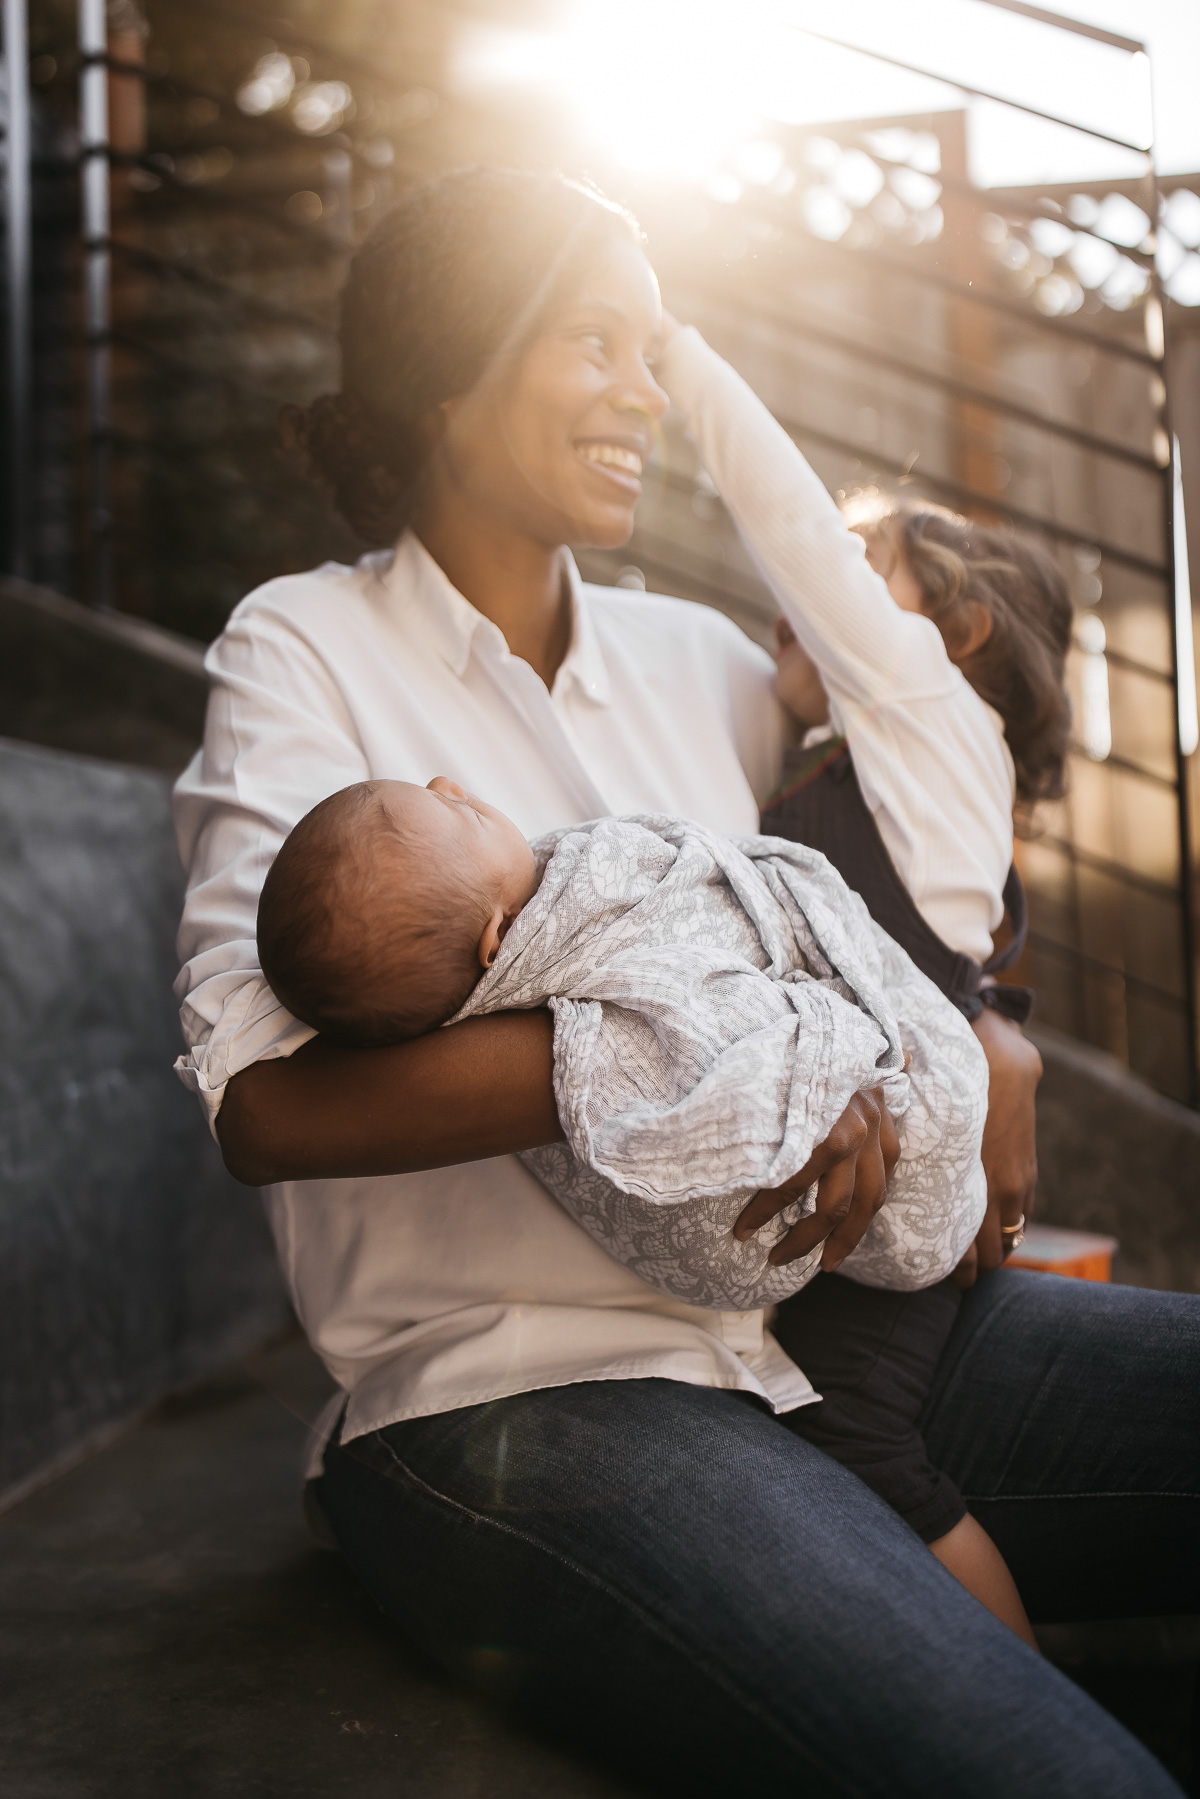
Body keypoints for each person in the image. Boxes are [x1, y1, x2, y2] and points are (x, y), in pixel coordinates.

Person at [173, 166, 1198, 1796]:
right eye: (600, 341)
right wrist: (744, 1068)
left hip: (842, 1325)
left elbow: (872, 907)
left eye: (656, 348)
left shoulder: (711, 665)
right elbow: (263, 1104)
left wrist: (975, 1028)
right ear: (455, 363)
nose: (648, 391)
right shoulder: (302, 650)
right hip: (528, 1401)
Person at [655, 322, 1076, 1643]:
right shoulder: (906, 768)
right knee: (838, 1427)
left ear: (955, 629)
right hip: (907, 1160)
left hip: (912, 1170)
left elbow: (778, 510)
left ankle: (1016, 1712)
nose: (809, 591)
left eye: (856, 568)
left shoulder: (932, 716)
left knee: (863, 1448)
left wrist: (668, 345)